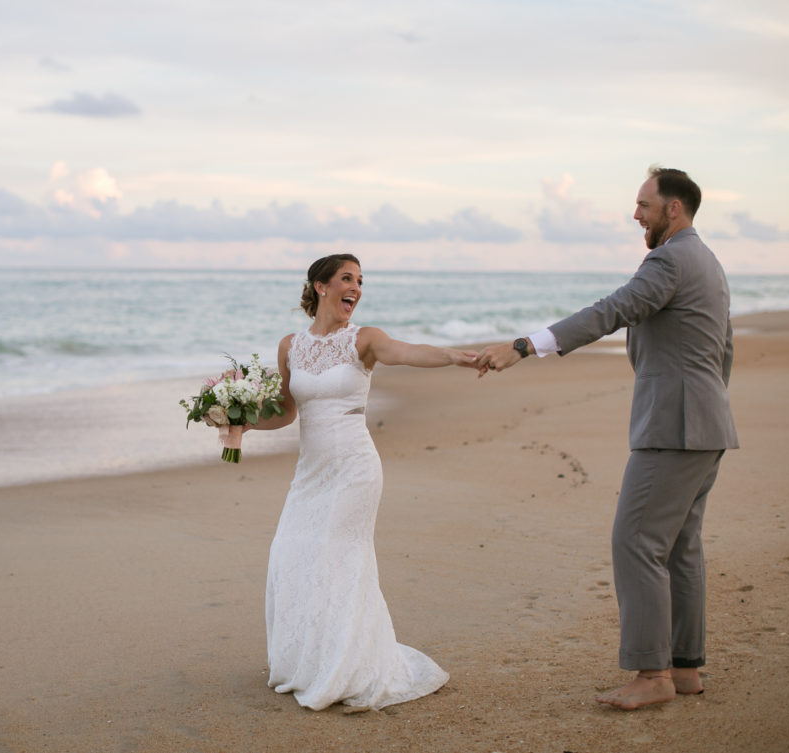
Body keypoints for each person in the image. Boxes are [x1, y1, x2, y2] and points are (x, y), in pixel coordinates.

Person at [475, 167, 738, 710]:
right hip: (706, 424)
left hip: (674, 427)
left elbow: (611, 310)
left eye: (644, 204)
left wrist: (526, 345)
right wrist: (706, 410)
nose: (635, 214)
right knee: (680, 546)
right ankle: (684, 669)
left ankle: (652, 674)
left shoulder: (668, 260)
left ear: (674, 209)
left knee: (636, 540)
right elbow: (724, 349)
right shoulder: (708, 262)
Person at [249, 253, 479, 710]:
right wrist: (237, 421)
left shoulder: (365, 340)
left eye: (360, 281)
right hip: (310, 472)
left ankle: (346, 666)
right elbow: (286, 410)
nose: (355, 288)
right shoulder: (289, 346)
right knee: (291, 552)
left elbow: (409, 353)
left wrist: (457, 356)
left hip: (354, 467)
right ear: (320, 287)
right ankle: (307, 662)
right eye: (346, 279)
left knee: (339, 559)